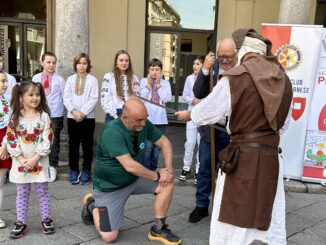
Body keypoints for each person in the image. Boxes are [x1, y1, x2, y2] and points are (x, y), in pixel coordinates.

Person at [176, 28, 292, 244]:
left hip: (242, 158)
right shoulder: (284, 79)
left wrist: (189, 114)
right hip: (270, 158)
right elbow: (284, 125)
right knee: (266, 214)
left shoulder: (236, 78)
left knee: (232, 218)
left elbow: (209, 110)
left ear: (242, 51)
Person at [81, 98, 181, 245]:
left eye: (145, 119)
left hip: (134, 179)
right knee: (109, 237)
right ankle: (92, 204)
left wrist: (169, 170)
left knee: (167, 183)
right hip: (109, 187)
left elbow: (165, 143)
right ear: (125, 117)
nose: (143, 123)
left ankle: (158, 229)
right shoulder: (112, 131)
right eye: (139, 120)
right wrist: (158, 175)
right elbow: (130, 166)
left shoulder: (143, 124)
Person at [188, 38, 236, 223]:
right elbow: (198, 93)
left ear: (235, 54)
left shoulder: (239, 72)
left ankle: (222, 206)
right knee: (205, 170)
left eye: (229, 56)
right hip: (210, 132)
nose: (225, 60)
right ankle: (201, 206)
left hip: (230, 132)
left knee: (229, 171)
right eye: (221, 56)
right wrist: (205, 70)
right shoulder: (211, 70)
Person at [6, 81, 55, 238]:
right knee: (22, 193)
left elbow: (47, 139)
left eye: (38, 94)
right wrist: (20, 158)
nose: (35, 98)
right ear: (21, 97)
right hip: (21, 162)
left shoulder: (43, 117)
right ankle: (20, 222)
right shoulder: (14, 117)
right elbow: (11, 139)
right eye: (31, 94)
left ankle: (46, 219)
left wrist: (35, 158)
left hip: (39, 161)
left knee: (42, 191)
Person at [63, 53, 98, 185]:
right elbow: (66, 97)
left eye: (84, 63)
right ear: (75, 65)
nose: (82, 66)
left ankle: (86, 170)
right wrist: (74, 112)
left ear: (88, 65)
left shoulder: (92, 80)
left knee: (87, 145)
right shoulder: (70, 79)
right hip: (72, 117)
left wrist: (82, 113)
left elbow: (94, 98)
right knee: (73, 145)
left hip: (88, 118)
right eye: (79, 63)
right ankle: (73, 169)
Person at [32, 52, 66, 170]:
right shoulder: (35, 78)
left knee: (54, 140)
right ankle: (39, 163)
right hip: (39, 113)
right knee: (38, 138)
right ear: (42, 62)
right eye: (48, 62)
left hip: (55, 114)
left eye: (54, 63)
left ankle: (52, 166)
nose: (51, 65)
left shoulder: (60, 80)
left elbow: (64, 97)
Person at [139, 58, 171, 170]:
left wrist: (158, 85)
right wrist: (148, 85)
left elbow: (167, 98)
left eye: (157, 69)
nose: (154, 72)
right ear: (148, 70)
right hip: (148, 120)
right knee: (147, 147)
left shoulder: (165, 83)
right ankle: (146, 171)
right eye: (152, 69)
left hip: (161, 120)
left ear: (161, 71)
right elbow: (141, 99)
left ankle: (153, 170)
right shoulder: (143, 81)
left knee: (157, 148)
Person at [178, 56, 203, 183]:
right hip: (191, 113)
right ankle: (186, 168)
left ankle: (198, 170)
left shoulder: (207, 78)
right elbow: (185, 95)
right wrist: (192, 100)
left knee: (200, 142)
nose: (195, 66)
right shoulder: (189, 78)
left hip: (203, 114)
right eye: (194, 63)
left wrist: (202, 101)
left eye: (198, 64)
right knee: (190, 142)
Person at [101, 50, 140, 123]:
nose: (124, 63)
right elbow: (105, 98)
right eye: (121, 60)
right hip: (113, 115)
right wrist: (115, 116)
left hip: (130, 114)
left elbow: (137, 99)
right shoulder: (109, 77)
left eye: (126, 61)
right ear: (116, 62)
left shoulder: (134, 78)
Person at [0, 71, 11, 229]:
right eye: (2, 81)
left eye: (6, 81)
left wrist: (5, 145)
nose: (5, 84)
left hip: (3, 141)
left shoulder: (7, 102)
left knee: (0, 182)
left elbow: (11, 126)